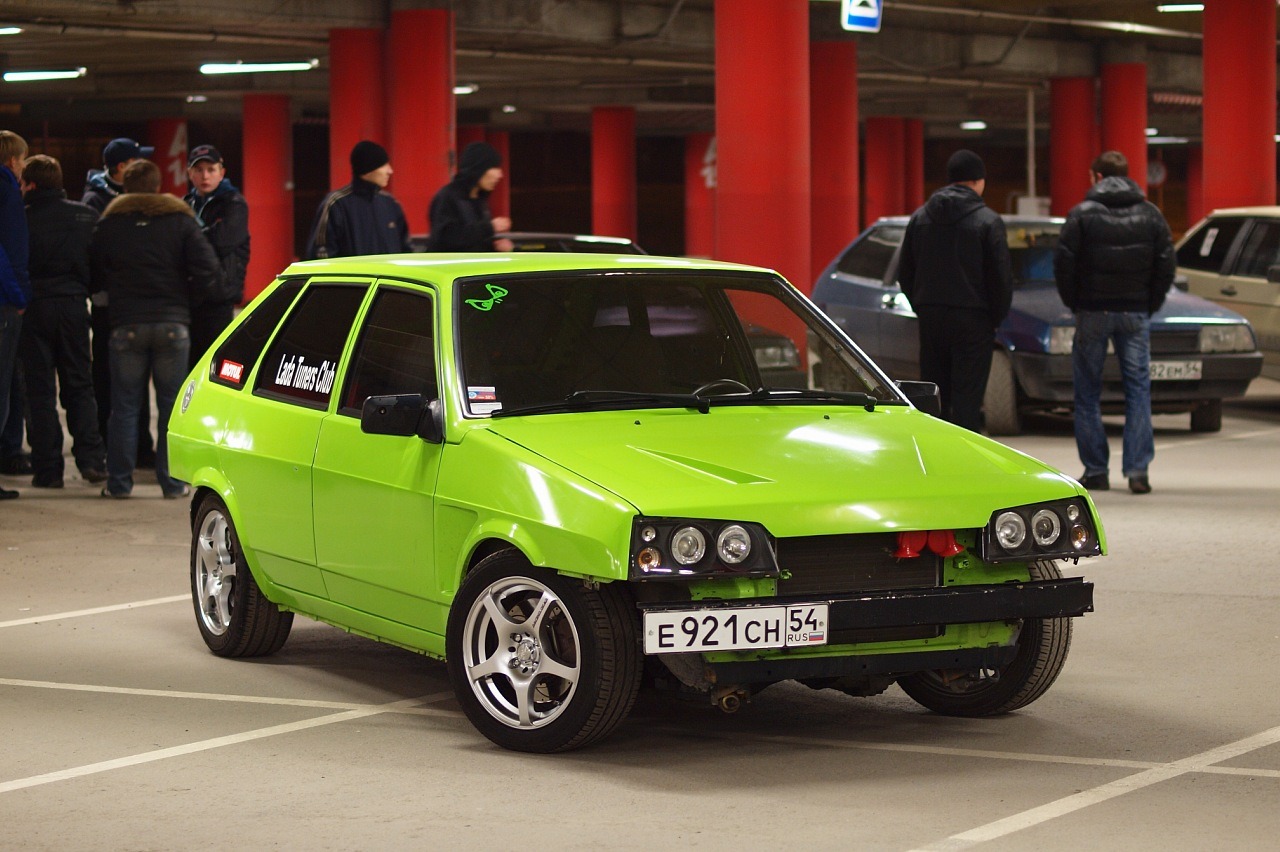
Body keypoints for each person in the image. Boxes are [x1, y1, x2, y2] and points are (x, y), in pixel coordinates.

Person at [89, 160, 221, 499]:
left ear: (126, 188)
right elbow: (209, 269)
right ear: (157, 183)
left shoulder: (109, 224)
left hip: (126, 324)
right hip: (173, 324)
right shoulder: (180, 221)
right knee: (171, 407)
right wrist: (188, 302)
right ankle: (172, 483)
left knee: (125, 407)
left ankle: (119, 483)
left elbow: (93, 270)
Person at [1054, 150, 1175, 495]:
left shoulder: (1081, 214)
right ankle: (1138, 472)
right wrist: (1148, 302)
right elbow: (1165, 263)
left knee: (1088, 392)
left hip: (1092, 311)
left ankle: (1095, 470)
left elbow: (1064, 263)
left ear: (1097, 177)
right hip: (1135, 313)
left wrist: (1075, 303)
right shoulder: (1151, 215)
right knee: (1138, 391)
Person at [898, 149, 1013, 432]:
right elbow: (1000, 277)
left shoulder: (921, 217)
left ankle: (934, 461)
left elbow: (905, 272)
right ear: (978, 181)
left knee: (934, 396)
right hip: (973, 320)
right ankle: (963, 466)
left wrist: (923, 307)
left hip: (932, 317)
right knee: (968, 399)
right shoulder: (988, 221)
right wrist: (994, 318)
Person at [19, 154, 107, 488]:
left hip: (33, 309)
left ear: (30, 184)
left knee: (39, 392)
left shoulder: (20, 219)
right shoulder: (85, 216)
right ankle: (91, 461)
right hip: (72, 307)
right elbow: (98, 265)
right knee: (79, 385)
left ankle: (48, 470)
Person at [83, 137, 158, 468]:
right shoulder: (96, 202)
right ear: (121, 168)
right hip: (109, 309)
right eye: (136, 160)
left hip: (135, 307)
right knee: (109, 382)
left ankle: (141, 449)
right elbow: (95, 256)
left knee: (136, 385)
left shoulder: (133, 202)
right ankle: (109, 448)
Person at [184, 144, 249, 369]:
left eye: (211, 170)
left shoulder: (234, 203)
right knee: (190, 366)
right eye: (199, 170)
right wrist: (206, 235)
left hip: (219, 297)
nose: (205, 176)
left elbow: (223, 242)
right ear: (189, 173)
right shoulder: (185, 205)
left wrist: (193, 239)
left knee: (214, 366)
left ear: (221, 172)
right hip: (190, 297)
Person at [305, 140, 409, 259]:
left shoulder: (391, 204)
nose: (390, 171)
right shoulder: (336, 204)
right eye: (383, 165)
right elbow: (322, 256)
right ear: (367, 170)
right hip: (352, 278)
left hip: (390, 278)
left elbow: (406, 252)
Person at [0, 130, 31, 500]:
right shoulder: (6, 189)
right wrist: (19, 295)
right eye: (22, 159)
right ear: (12, 160)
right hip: (5, 303)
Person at [425, 141, 514, 252]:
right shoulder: (448, 197)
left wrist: (496, 246)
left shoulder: (480, 200)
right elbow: (446, 239)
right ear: (479, 168)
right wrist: (489, 227)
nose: (500, 175)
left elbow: (475, 243)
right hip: (450, 268)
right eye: (495, 167)